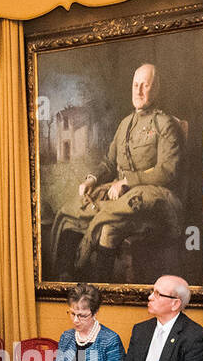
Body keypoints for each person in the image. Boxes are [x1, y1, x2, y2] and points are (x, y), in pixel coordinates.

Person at [73, 63, 186, 275]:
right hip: (123, 197)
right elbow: (109, 162)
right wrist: (91, 178)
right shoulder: (124, 124)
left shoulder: (165, 124)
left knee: (107, 229)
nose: (139, 91)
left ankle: (100, 290)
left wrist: (127, 182)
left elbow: (168, 171)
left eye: (145, 85)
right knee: (72, 213)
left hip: (155, 200)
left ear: (156, 88)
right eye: (135, 85)